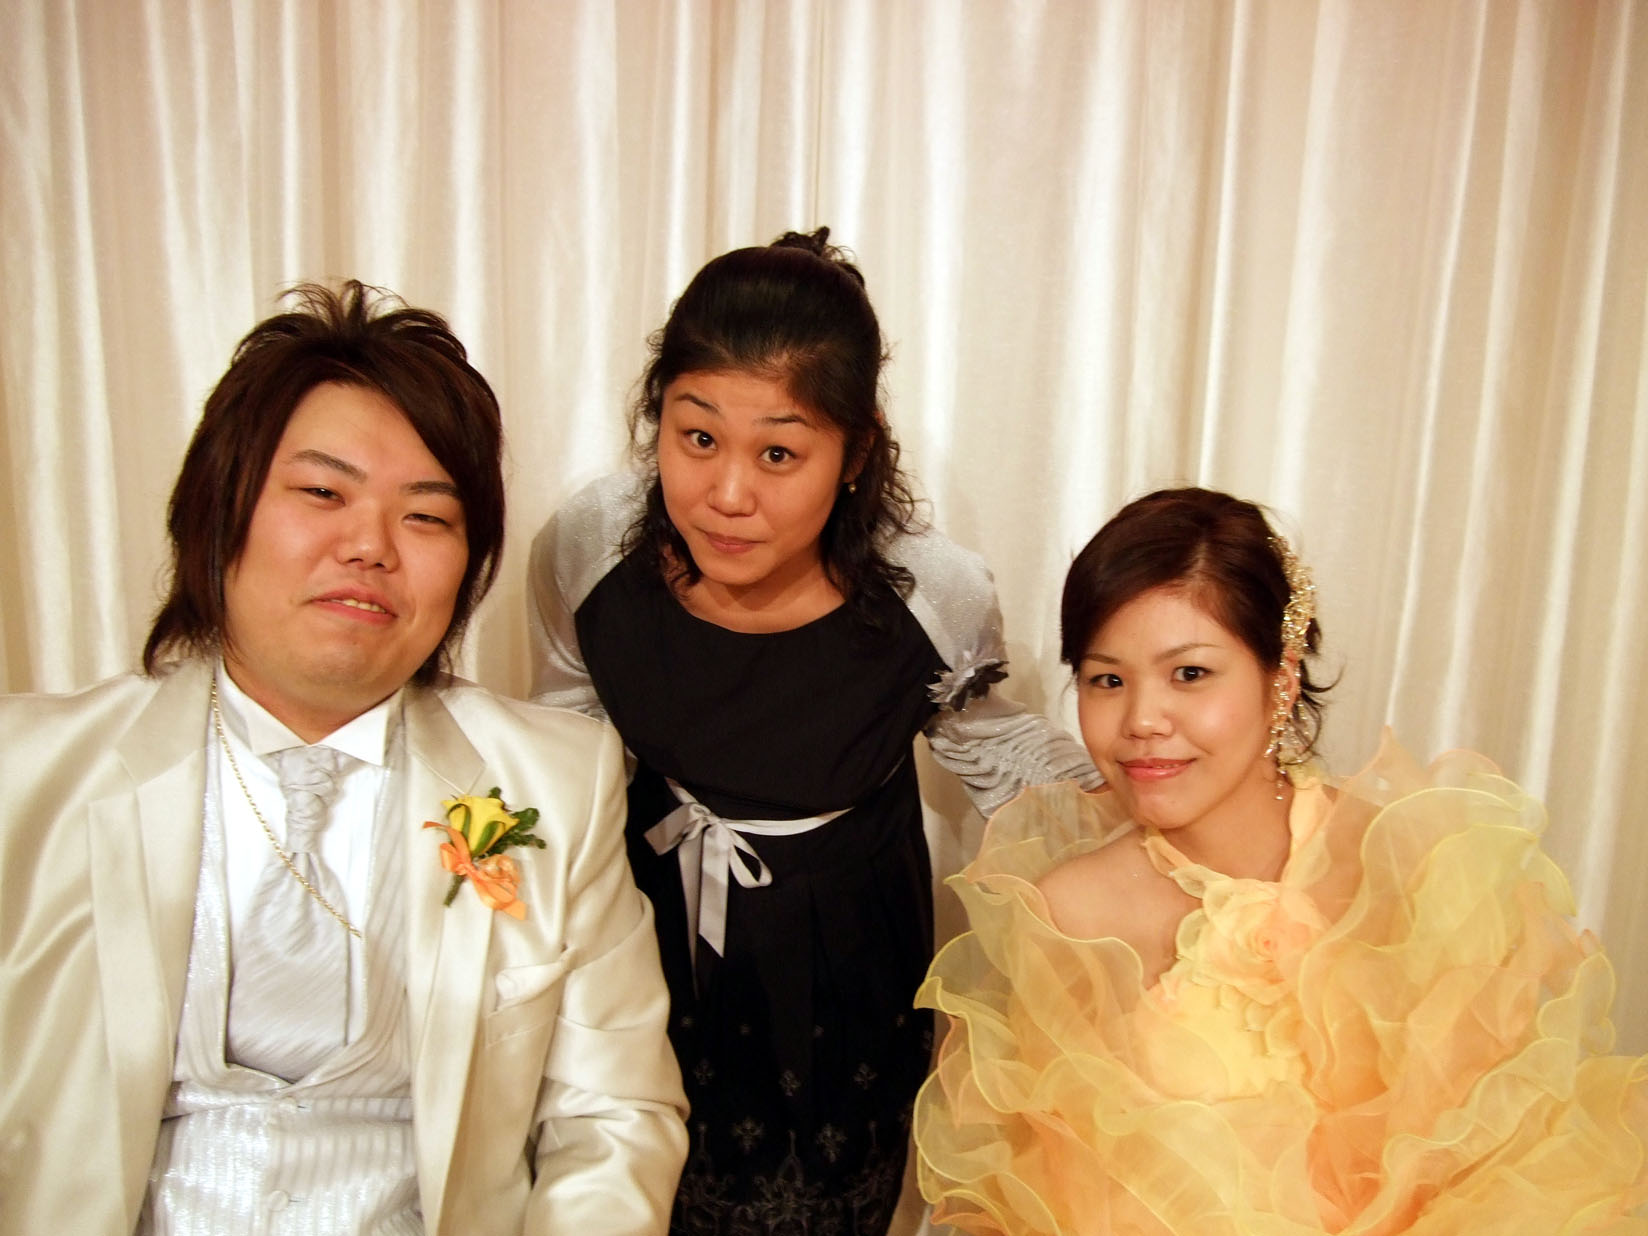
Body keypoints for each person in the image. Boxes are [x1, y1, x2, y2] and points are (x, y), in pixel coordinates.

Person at [0, 282, 688, 1235]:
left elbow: (612, 1119)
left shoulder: (555, 783)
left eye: (426, 517)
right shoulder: (27, 775)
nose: (369, 546)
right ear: (218, 511)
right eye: (322, 493)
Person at [528, 229, 1097, 1234]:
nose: (727, 493)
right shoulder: (590, 548)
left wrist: (1156, 821)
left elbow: (994, 750)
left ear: (855, 453)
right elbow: (564, 728)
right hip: (645, 939)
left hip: (845, 963)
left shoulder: (931, 592)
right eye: (696, 438)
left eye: (779, 453)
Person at [912, 486, 1648, 1233]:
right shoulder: (1069, 914)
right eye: (1108, 680)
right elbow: (1037, 1201)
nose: (1141, 720)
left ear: (1282, 677)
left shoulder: (1419, 872)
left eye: (1189, 674)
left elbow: (1513, 1159)